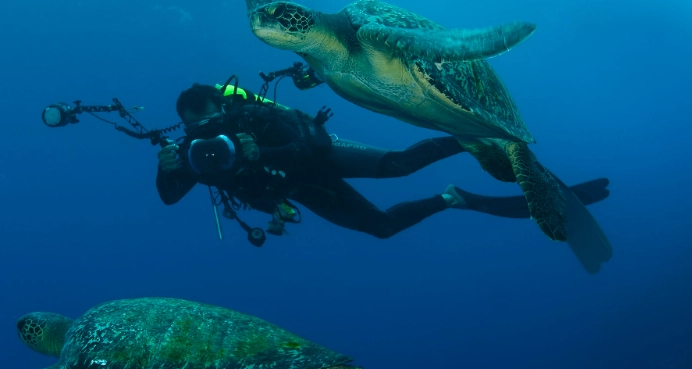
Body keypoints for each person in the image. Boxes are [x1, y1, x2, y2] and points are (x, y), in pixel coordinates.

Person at [156, 83, 610, 240]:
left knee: (399, 165)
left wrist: (261, 151)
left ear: (223, 107)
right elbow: (169, 198)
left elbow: (303, 147)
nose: (205, 132)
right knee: (382, 228)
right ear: (185, 126)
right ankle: (453, 198)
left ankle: (471, 137)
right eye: (194, 126)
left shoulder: (253, 117)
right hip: (303, 189)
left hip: (321, 156)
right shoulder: (193, 153)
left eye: (210, 118)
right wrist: (167, 168)